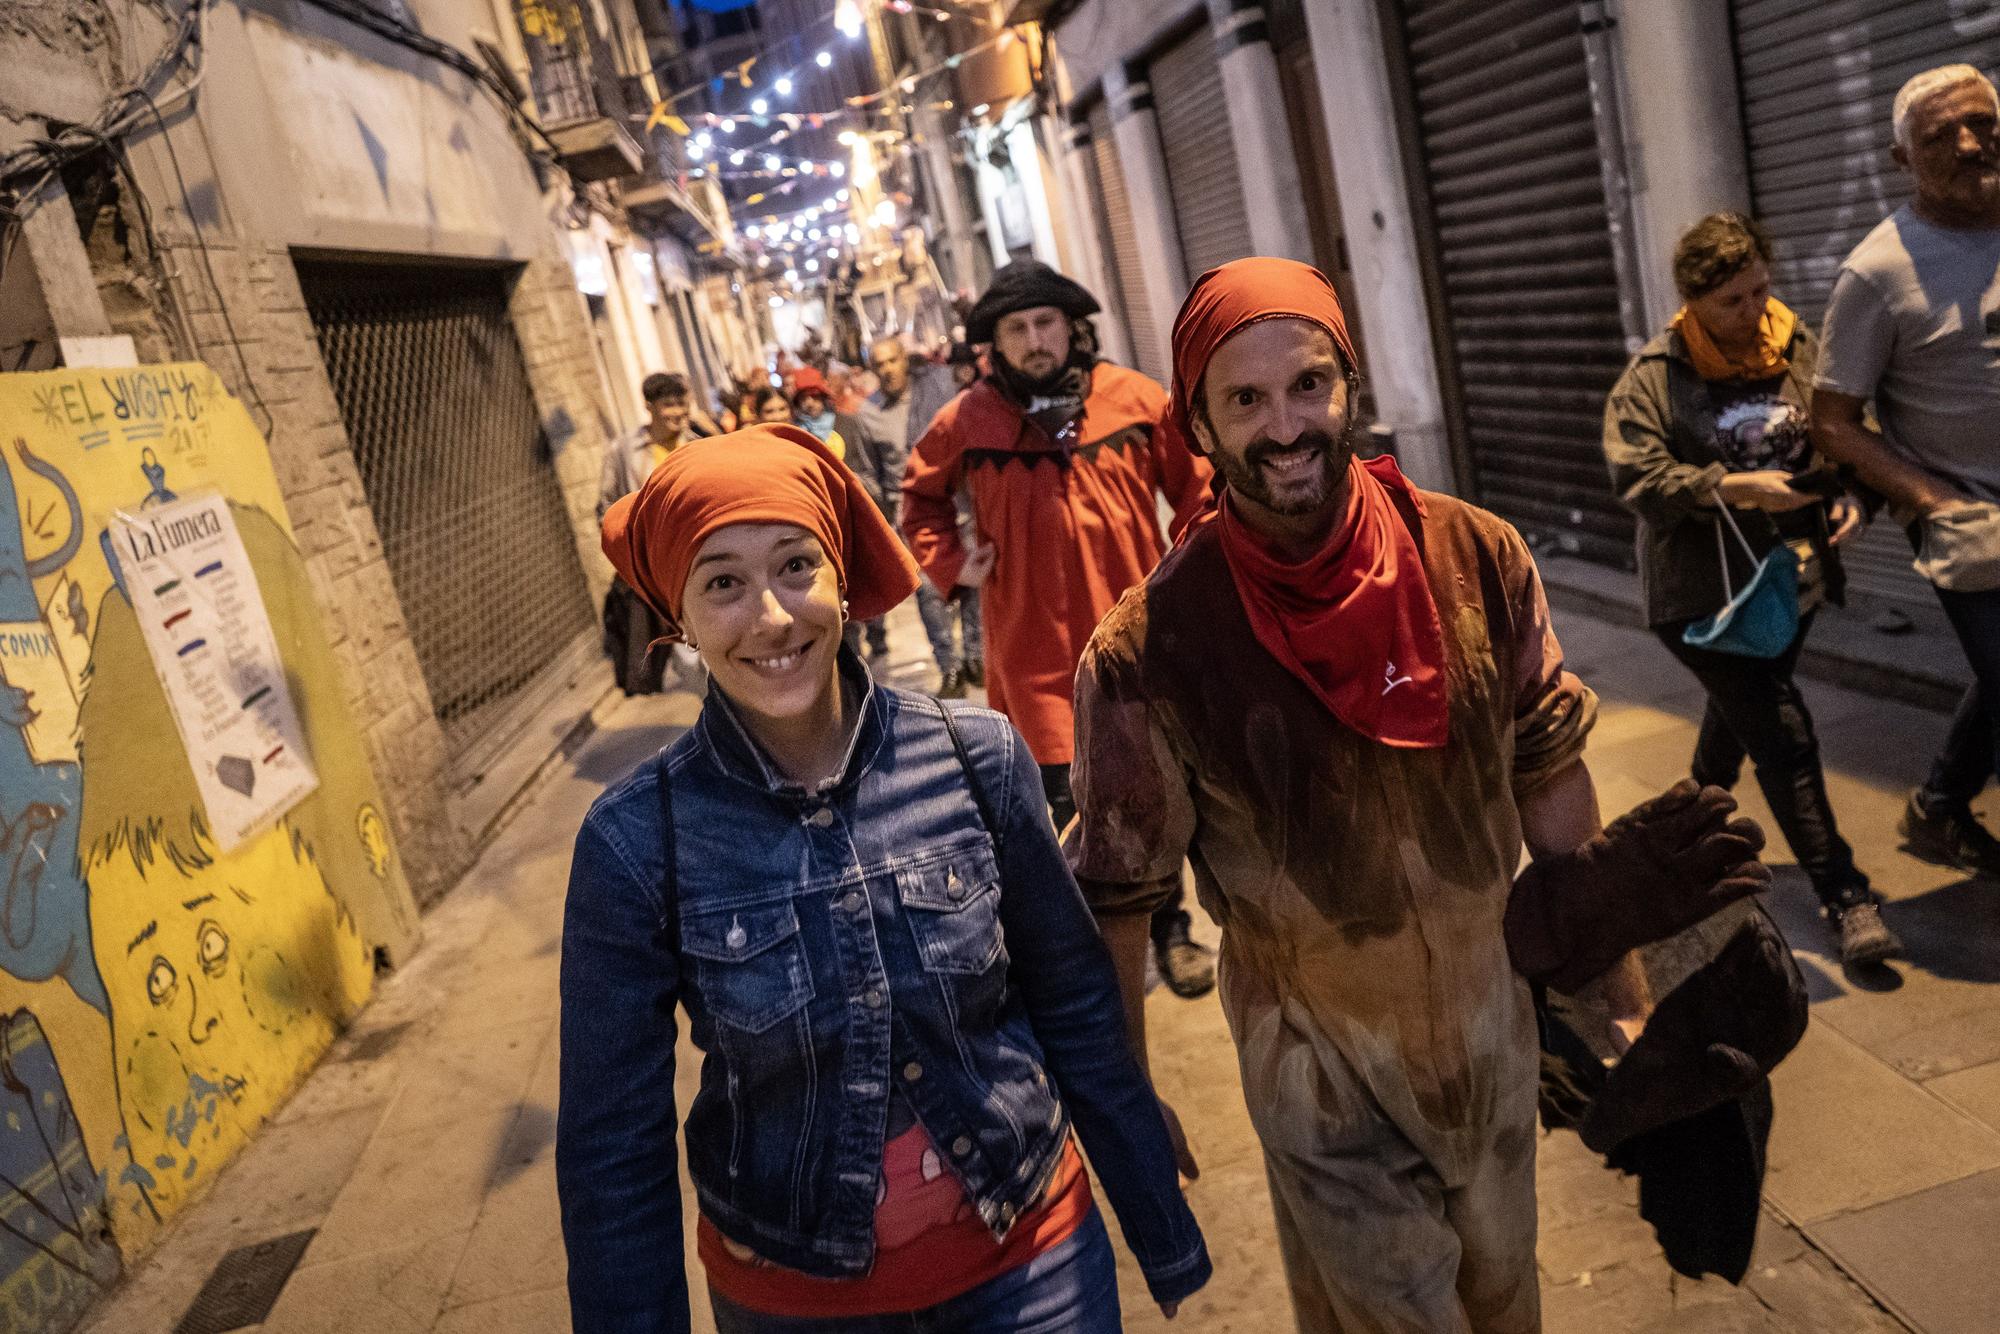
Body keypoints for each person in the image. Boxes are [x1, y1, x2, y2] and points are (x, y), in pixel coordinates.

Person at [1066, 259, 1772, 1332]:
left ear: (1350, 382)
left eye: (1307, 384)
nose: (1284, 425)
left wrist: (1617, 1001)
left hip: (1492, 1037)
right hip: (1316, 1068)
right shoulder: (1148, 650)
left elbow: (1546, 770)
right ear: (1196, 427)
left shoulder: (1473, 556)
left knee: (1504, 1299)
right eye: (1243, 399)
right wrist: (1125, 1092)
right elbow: (1118, 895)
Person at [558, 425, 1210, 1334]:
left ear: (842, 577)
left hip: (1033, 1268)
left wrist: (1149, 1199)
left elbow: (1072, 1000)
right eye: (723, 584)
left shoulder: (974, 757)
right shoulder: (638, 840)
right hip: (796, 1303)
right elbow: (610, 1145)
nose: (773, 616)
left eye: (796, 566)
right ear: (681, 618)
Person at [902, 260, 1219, 999]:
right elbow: (917, 504)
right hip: (1034, 657)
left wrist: (1189, 573)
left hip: (1139, 649)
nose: (1034, 339)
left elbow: (1202, 492)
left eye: (1045, 322)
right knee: (1071, 806)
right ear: (995, 344)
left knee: (1156, 794)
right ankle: (1105, 946)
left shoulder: (1135, 399)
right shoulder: (967, 421)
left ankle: (1170, 929)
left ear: (1073, 328)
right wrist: (951, 563)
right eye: (1016, 328)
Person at [1603, 213, 1897, 967]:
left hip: (1790, 584)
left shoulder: (1797, 344)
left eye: (1760, 290)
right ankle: (1845, 894)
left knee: (1742, 714)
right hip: (1703, 598)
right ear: (1692, 302)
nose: (1752, 311)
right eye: (1731, 301)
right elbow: (1637, 478)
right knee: (1784, 732)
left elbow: (1845, 432)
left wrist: (1855, 499)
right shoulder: (1657, 377)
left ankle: (1688, 834)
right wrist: (1734, 487)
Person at [1812, 63, 2000, 881]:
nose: (1970, 144)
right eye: (1940, 137)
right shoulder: (1879, 272)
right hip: (1970, 514)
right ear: (1902, 160)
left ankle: (1939, 804)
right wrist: (1933, 498)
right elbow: (1832, 420)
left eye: (1984, 123)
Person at [860, 334, 983, 694]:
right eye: (878, 364)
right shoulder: (869, 415)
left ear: (905, 361)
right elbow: (872, 471)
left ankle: (976, 657)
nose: (886, 370)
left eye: (891, 361)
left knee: (972, 580)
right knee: (928, 592)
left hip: (959, 504)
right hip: (911, 517)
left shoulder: (936, 393)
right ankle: (949, 667)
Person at [599, 372, 707, 696]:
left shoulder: (698, 446)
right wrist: (629, 557)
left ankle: (726, 715)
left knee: (709, 645)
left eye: (682, 404)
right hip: (655, 571)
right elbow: (605, 507)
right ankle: (719, 714)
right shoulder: (624, 452)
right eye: (668, 405)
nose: (677, 412)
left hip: (698, 560)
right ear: (649, 406)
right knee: (685, 655)